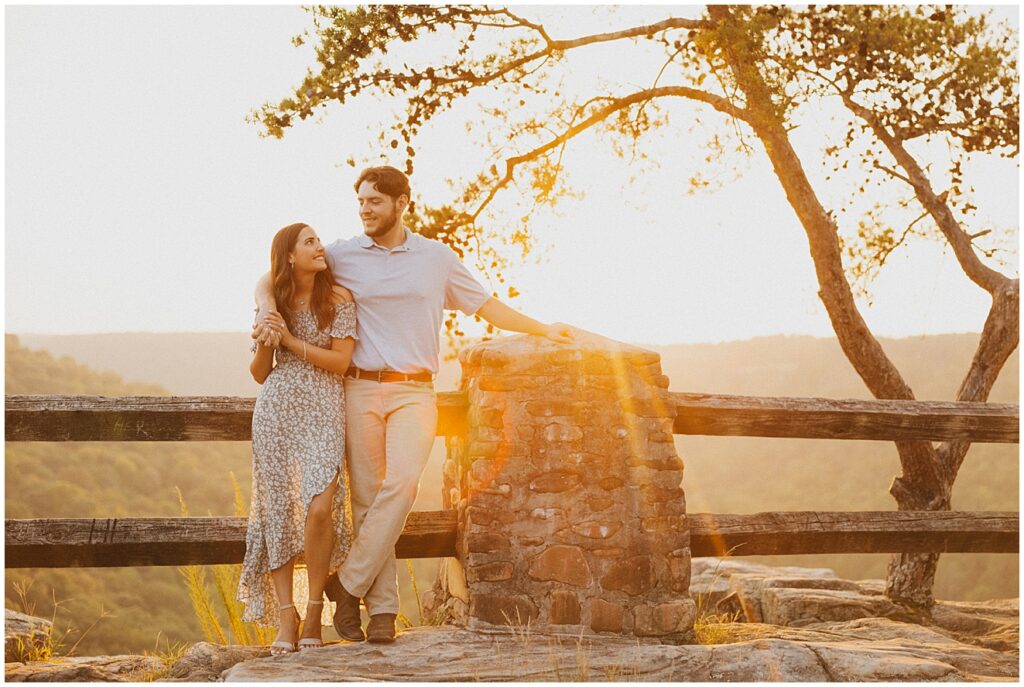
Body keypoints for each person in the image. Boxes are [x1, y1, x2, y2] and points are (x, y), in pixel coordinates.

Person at [253, 166, 573, 643]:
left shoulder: (436, 258)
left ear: (402, 203)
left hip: (415, 389)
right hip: (358, 387)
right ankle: (380, 613)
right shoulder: (341, 254)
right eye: (360, 201)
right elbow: (277, 271)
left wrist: (543, 329)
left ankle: (347, 584)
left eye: (375, 202)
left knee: (402, 485)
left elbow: (485, 305)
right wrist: (265, 309)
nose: (365, 209)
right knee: (367, 499)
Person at [238, 222, 358, 655]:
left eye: (318, 240)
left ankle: (314, 613)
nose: (319, 246)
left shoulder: (339, 300)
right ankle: (287, 617)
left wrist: (289, 339)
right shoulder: (275, 303)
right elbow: (258, 374)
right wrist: (269, 336)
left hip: (325, 407)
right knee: (278, 513)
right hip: (276, 410)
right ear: (289, 256)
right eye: (309, 241)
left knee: (320, 507)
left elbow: (341, 363)